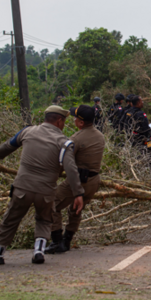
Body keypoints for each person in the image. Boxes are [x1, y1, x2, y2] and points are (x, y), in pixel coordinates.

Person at [0, 105, 84, 265]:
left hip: (22, 187)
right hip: (45, 190)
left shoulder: (27, 131)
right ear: (59, 121)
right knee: (44, 219)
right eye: (64, 121)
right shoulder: (64, 142)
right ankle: (38, 251)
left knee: (11, 218)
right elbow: (71, 170)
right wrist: (78, 193)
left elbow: (8, 145)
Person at [46, 105, 105, 254]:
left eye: (75, 118)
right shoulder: (100, 136)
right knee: (76, 210)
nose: (73, 120)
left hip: (78, 181)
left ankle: (57, 241)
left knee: (53, 205)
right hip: (94, 181)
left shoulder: (76, 139)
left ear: (80, 122)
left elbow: (65, 161)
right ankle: (67, 240)